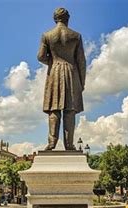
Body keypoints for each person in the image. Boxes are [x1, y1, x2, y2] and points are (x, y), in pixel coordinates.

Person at [37, 7, 86, 150]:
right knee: (70, 110)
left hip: (54, 72)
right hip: (72, 73)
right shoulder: (75, 36)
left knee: (54, 109)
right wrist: (81, 83)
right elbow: (81, 61)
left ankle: (52, 143)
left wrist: (52, 62)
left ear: (54, 18)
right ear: (68, 19)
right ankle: (69, 144)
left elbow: (40, 56)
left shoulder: (47, 35)